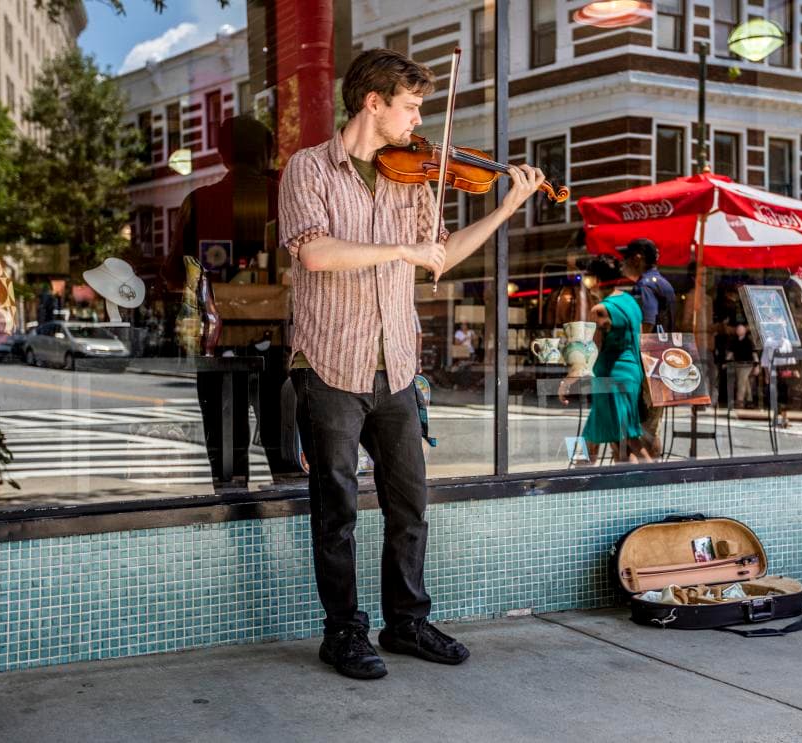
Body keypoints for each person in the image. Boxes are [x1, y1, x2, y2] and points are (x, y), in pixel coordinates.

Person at [276, 48, 545, 681]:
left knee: (409, 504)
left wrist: (504, 209)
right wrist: (398, 247)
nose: (419, 120)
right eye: (411, 106)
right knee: (336, 507)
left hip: (395, 363)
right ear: (373, 103)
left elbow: (440, 255)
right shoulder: (308, 169)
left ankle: (406, 622)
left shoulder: (415, 176)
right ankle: (342, 632)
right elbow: (315, 253)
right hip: (328, 361)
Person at [169, 115, 293, 482]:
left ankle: (234, 527)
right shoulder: (286, 199)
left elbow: (174, 274)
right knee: (286, 459)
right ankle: (294, 529)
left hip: (218, 341)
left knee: (227, 465)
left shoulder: (199, 201)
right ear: (268, 153)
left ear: (223, 154)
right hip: (280, 341)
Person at [558, 254, 652, 465]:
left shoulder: (600, 309)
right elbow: (639, 341)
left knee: (623, 437)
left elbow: (591, 351)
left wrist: (568, 380)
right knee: (620, 436)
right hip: (630, 374)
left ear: (595, 280)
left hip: (611, 377)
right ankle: (631, 483)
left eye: (587, 278)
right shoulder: (631, 303)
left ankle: (656, 480)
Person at [617, 238, 675, 457]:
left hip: (647, 363)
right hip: (664, 361)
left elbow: (646, 324)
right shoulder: (662, 282)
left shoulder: (645, 285)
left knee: (639, 428)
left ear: (638, 258)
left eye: (626, 258)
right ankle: (655, 473)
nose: (622, 263)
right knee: (652, 428)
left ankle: (645, 477)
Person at [725, 318, 759, 408]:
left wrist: (756, 366)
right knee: (745, 382)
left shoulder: (749, 341)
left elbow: (754, 353)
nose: (739, 331)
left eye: (741, 329)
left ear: (744, 331)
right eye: (738, 329)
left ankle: (739, 401)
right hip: (738, 364)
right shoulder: (734, 341)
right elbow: (731, 353)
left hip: (747, 364)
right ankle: (749, 400)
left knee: (741, 382)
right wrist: (726, 362)